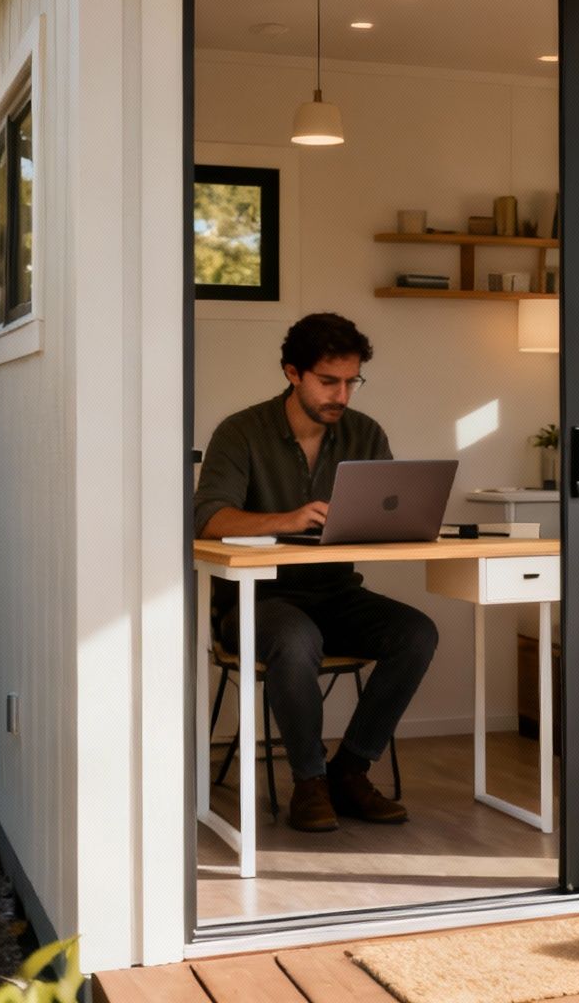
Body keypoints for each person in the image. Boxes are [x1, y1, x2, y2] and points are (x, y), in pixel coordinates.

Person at [194, 312, 440, 833]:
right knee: (295, 636)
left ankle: (348, 771)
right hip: (255, 602)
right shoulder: (241, 432)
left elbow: (387, 515)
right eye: (329, 381)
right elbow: (208, 519)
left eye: (352, 381)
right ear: (292, 373)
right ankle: (308, 783)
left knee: (416, 632)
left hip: (335, 594)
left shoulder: (366, 434)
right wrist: (290, 519)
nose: (342, 395)